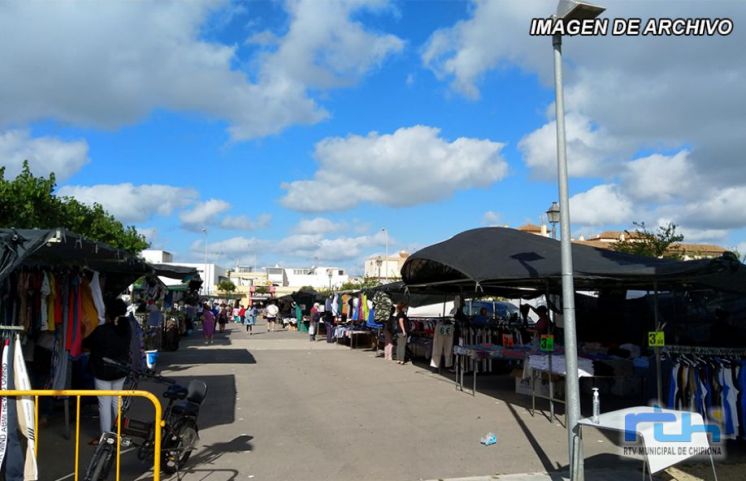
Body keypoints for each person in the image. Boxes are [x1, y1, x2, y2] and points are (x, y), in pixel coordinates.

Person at [83, 297, 131, 444]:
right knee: (117, 402)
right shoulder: (127, 329)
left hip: (102, 372)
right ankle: (120, 433)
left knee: (104, 403)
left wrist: (87, 327)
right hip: (120, 371)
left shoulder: (102, 330)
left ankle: (106, 436)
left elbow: (86, 343)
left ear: (108, 313)